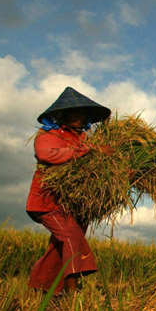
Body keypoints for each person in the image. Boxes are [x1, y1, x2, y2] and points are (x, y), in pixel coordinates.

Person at [26, 87, 113, 295]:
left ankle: (42, 288)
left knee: (59, 247)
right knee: (72, 238)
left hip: (72, 206)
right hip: (47, 203)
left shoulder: (83, 139)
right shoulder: (50, 134)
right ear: (62, 115)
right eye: (76, 112)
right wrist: (90, 150)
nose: (81, 117)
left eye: (84, 113)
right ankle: (73, 294)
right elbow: (48, 154)